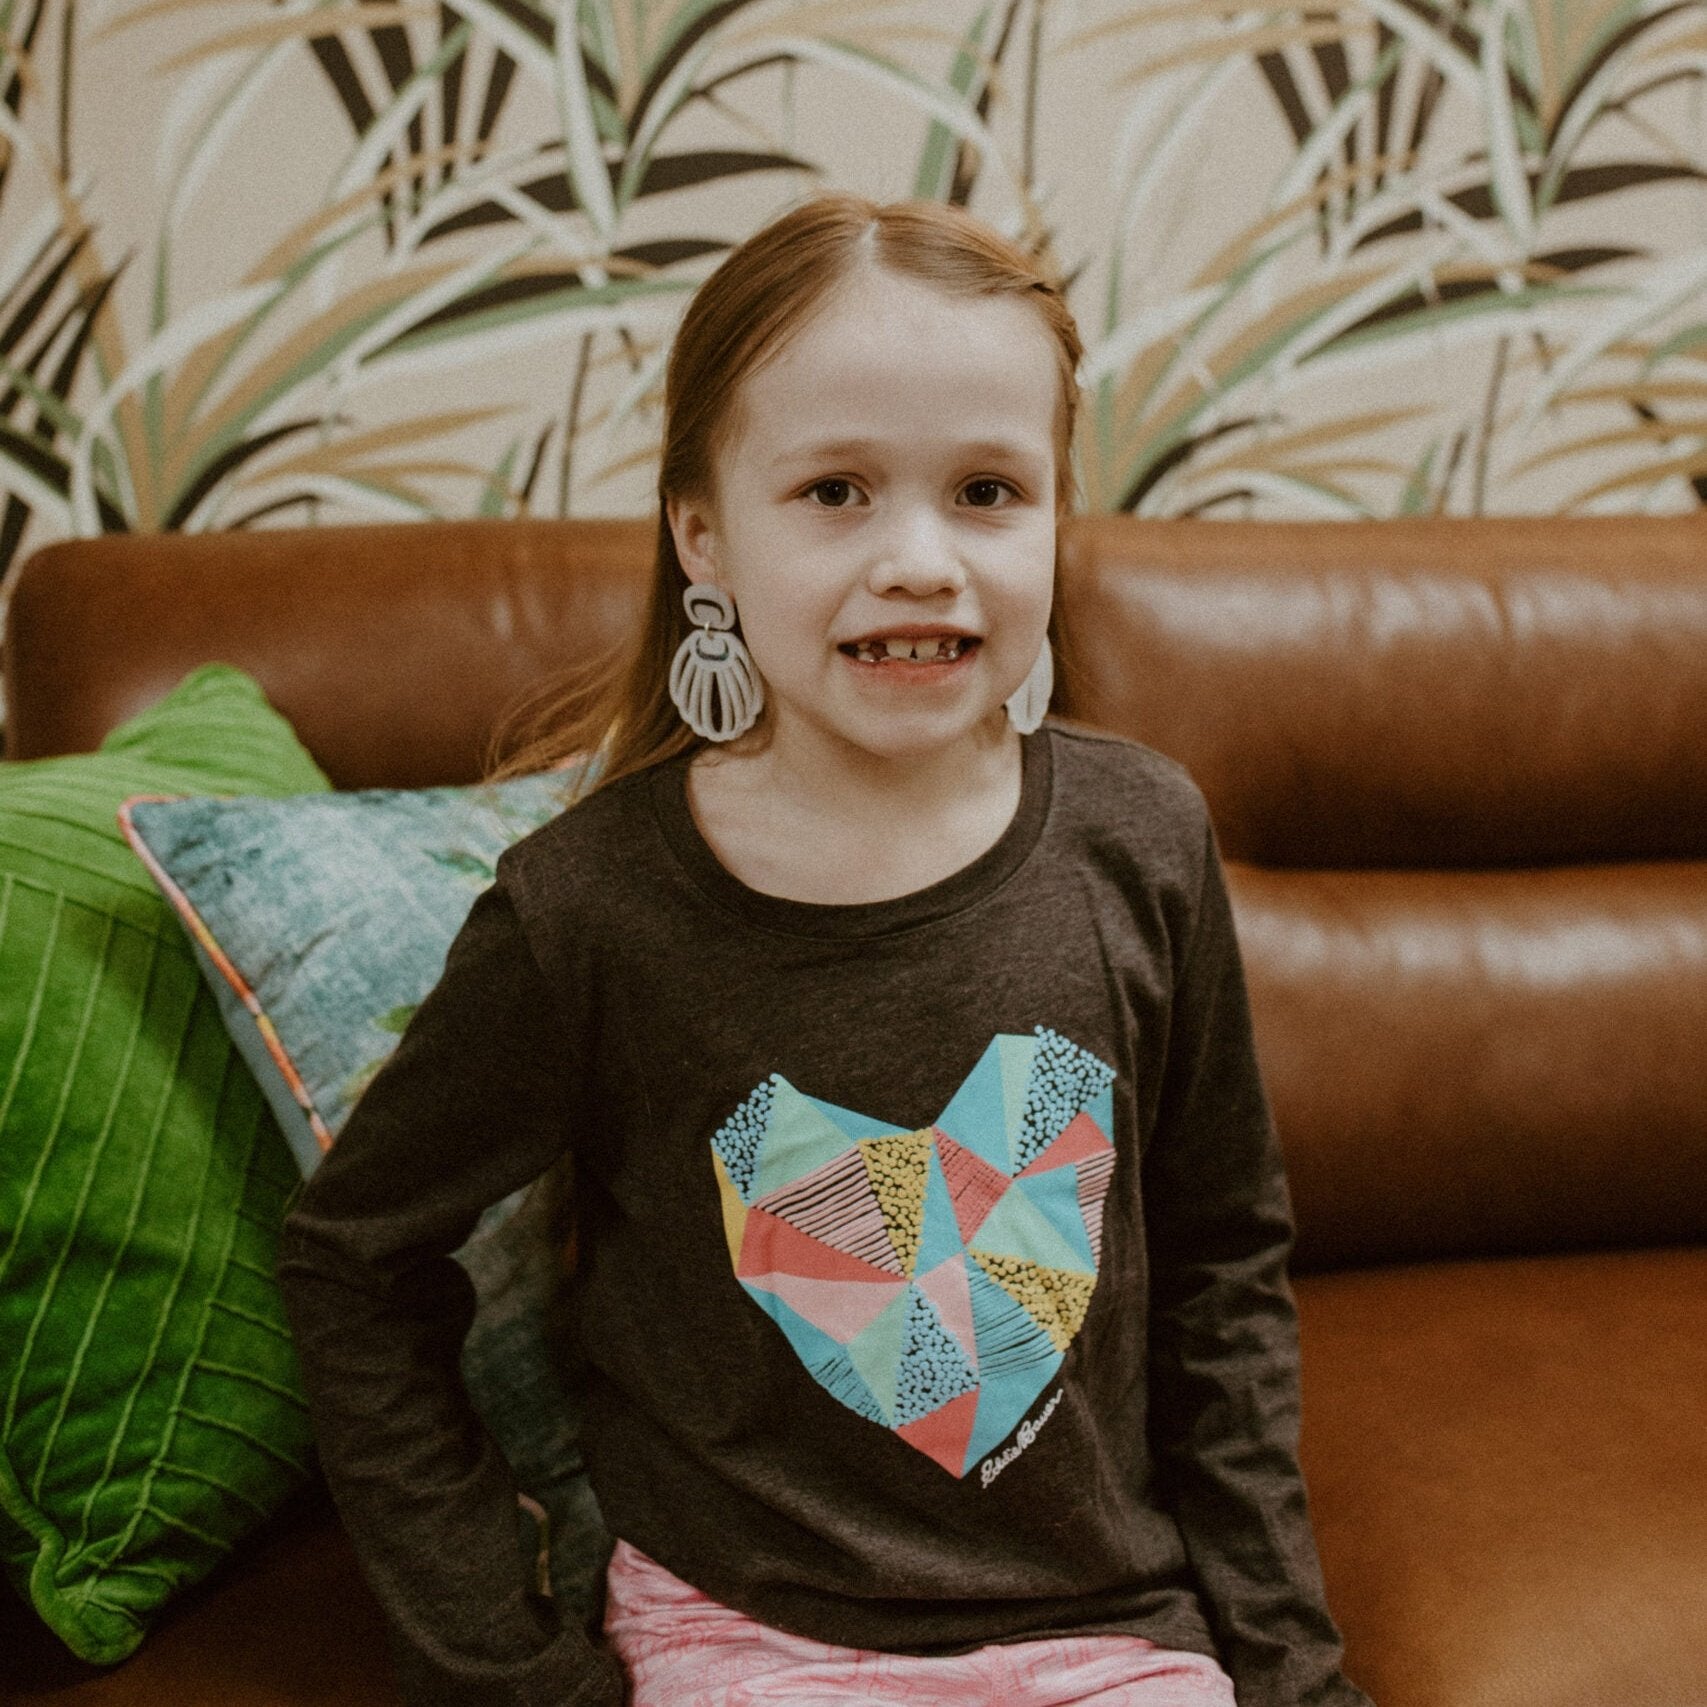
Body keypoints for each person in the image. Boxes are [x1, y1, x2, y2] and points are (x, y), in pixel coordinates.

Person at [277, 194, 1373, 1707]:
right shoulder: (585, 914)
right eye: (838, 491)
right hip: (748, 1641)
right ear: (703, 534)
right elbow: (350, 1266)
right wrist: (501, 1668)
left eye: (988, 490)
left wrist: (1289, 1670)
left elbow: (1220, 1270)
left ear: (1062, 517)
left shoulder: (1146, 838)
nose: (921, 560)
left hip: (1108, 1632)